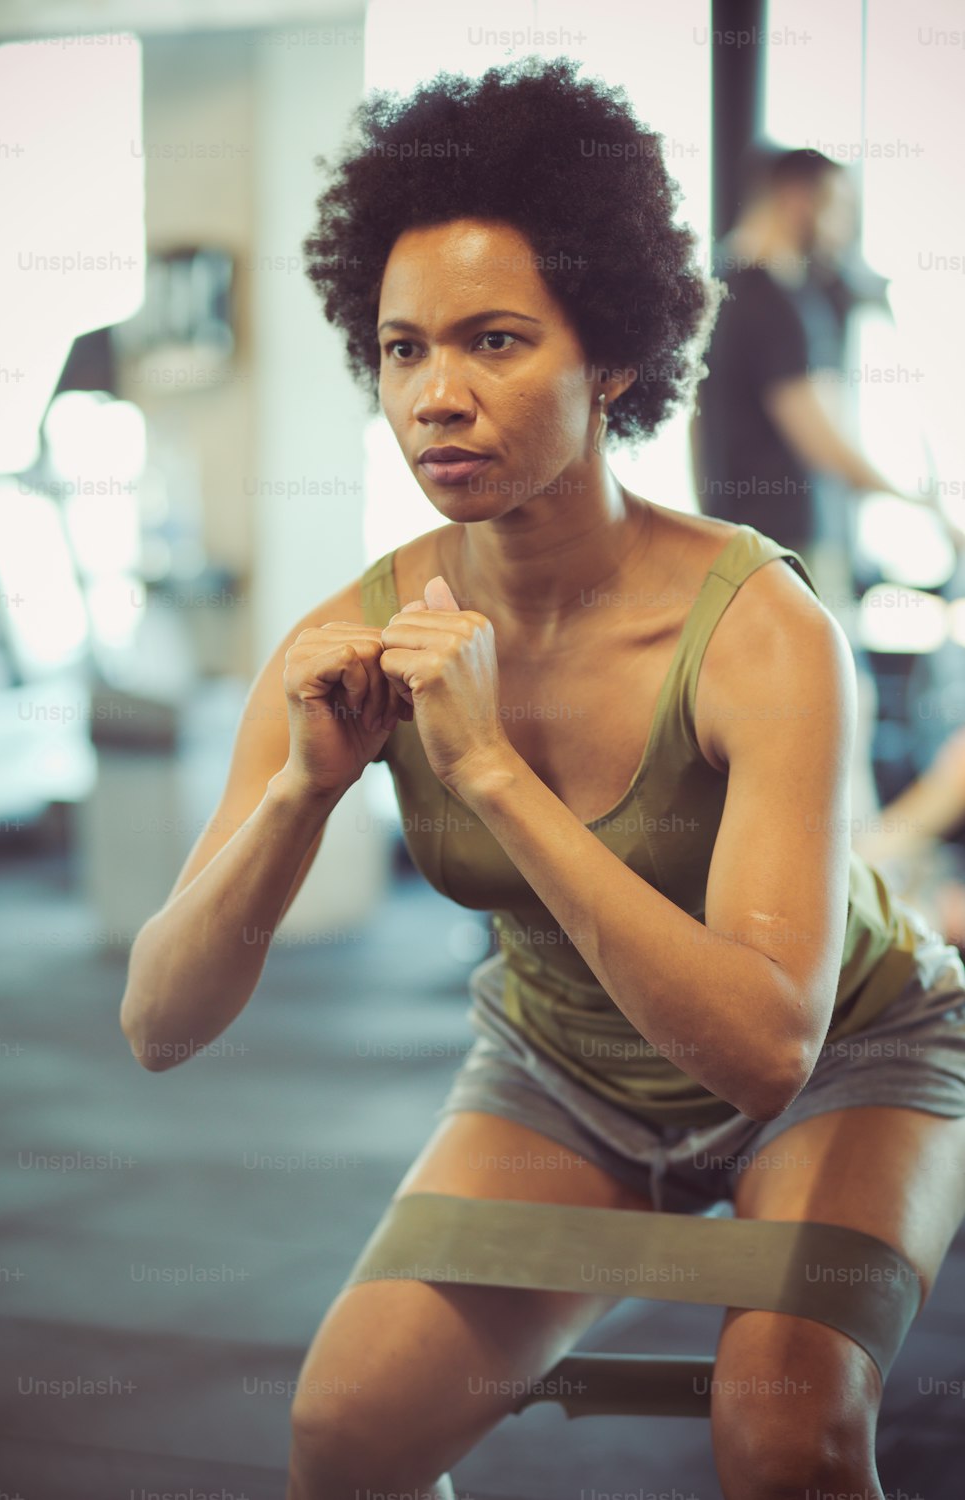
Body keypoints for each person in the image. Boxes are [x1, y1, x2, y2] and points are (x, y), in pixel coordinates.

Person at [118, 57, 965, 1500]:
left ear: (614, 358)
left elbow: (763, 1048)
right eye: (402, 351)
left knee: (785, 1436)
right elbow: (158, 1022)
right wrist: (297, 802)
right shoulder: (348, 635)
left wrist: (491, 773)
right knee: (347, 1437)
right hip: (565, 1071)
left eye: (495, 341)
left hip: (850, 1060)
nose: (437, 397)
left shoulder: (764, 633)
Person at [690, 146, 949, 588]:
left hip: (736, 540)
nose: (846, 229)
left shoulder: (726, 288)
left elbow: (697, 430)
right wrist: (916, 501)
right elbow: (820, 439)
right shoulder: (774, 301)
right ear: (798, 201)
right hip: (788, 548)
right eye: (840, 209)